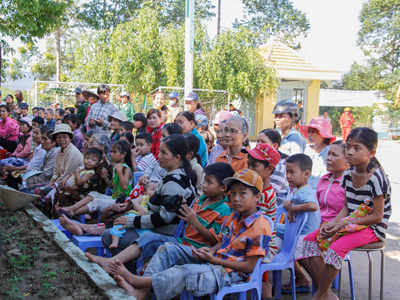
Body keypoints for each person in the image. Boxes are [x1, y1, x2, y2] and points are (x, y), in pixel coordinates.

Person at [109, 168, 272, 300]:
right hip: (215, 261)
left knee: (185, 271)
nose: (236, 198)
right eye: (234, 193)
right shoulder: (234, 216)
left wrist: (214, 259)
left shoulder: (260, 226)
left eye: (242, 193)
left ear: (257, 197)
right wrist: (212, 251)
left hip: (231, 274)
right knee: (168, 249)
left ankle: (138, 281)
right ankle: (141, 291)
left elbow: (250, 267)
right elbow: (221, 242)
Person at [83, 162, 232, 275]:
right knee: (148, 238)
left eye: (209, 182)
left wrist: (194, 221)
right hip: (182, 242)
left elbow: (217, 241)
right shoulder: (201, 200)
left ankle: (136, 280)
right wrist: (179, 206)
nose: (204, 185)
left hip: (197, 249)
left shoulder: (224, 209)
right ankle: (115, 265)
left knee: (158, 245)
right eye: (204, 181)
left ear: (223, 188)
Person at [304, 128, 391, 300]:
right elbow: (346, 207)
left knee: (336, 249)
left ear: (371, 153)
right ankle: (328, 294)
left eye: (357, 148)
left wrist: (342, 224)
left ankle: (319, 295)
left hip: (372, 227)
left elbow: (377, 216)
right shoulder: (349, 174)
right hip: (351, 221)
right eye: (348, 147)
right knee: (310, 241)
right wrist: (334, 223)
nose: (350, 152)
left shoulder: (376, 178)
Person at [276, 154, 320, 294]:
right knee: (273, 230)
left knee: (275, 232)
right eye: (286, 172)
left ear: (307, 174)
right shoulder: (297, 190)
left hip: (306, 233)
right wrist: (289, 202)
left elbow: (313, 206)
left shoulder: (305, 191)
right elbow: (293, 200)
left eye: (292, 172)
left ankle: (306, 279)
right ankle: (300, 277)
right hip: (295, 230)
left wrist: (294, 208)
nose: (288, 176)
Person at [55, 140, 133, 218]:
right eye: (111, 151)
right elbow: (113, 187)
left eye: (114, 152)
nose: (111, 154)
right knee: (93, 194)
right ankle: (72, 208)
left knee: (97, 201)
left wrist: (119, 171)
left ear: (123, 154)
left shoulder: (126, 169)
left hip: (123, 201)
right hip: (114, 197)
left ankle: (71, 213)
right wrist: (105, 178)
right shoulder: (115, 168)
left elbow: (124, 187)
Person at [53, 133, 113, 212]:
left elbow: (93, 182)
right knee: (57, 192)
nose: (89, 146)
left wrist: (75, 187)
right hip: (83, 187)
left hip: (91, 192)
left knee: (63, 194)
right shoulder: (92, 159)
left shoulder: (104, 162)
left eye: (91, 144)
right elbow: (79, 171)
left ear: (102, 147)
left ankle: (68, 218)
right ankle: (57, 218)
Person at [109, 181, 158, 248]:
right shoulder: (143, 197)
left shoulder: (157, 201)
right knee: (119, 225)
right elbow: (135, 202)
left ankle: (145, 246)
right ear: (145, 192)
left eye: (157, 190)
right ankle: (115, 241)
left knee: (147, 233)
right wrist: (140, 210)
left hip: (144, 220)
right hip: (134, 214)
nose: (155, 191)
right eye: (152, 189)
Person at [5, 125, 47, 189]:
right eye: (34, 133)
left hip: (38, 172)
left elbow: (32, 166)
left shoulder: (42, 149)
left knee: (13, 175)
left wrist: (15, 168)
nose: (34, 135)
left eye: (37, 133)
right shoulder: (37, 146)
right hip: (32, 169)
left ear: (43, 136)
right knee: (11, 173)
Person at [300, 117, 336, 191]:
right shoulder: (308, 150)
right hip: (305, 188)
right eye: (308, 131)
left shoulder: (329, 151)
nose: (309, 135)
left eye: (313, 132)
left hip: (322, 190)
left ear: (323, 135)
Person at [317, 140, 348, 224]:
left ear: (348, 161)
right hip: (316, 224)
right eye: (328, 154)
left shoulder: (349, 183)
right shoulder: (323, 180)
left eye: (334, 155)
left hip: (335, 227)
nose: (328, 158)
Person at [257, 129, 289, 206]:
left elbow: (265, 194)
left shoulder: (279, 167)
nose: (258, 145)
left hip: (272, 209)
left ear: (275, 146)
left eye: (263, 142)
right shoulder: (261, 161)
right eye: (257, 141)